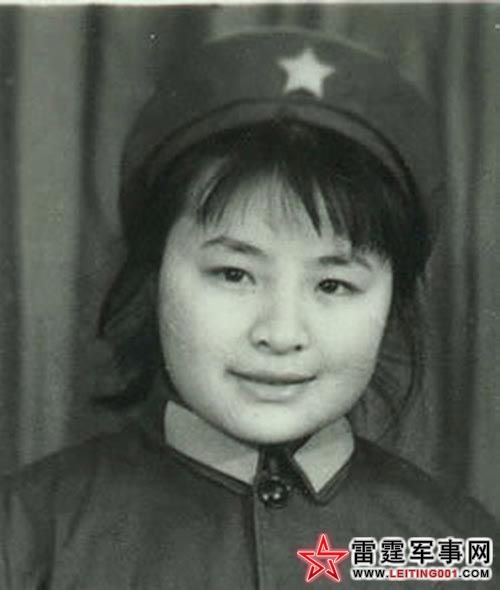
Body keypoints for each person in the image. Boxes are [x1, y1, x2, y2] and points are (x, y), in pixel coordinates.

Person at [0, 28, 498, 589]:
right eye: (234, 274)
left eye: (333, 284)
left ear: (391, 303)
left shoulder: (455, 547)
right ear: (154, 275)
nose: (281, 333)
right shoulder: (26, 539)